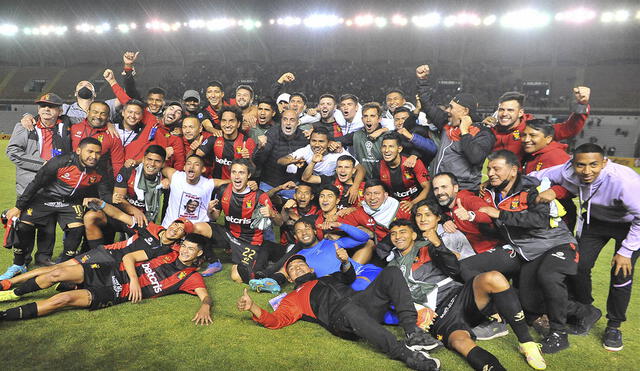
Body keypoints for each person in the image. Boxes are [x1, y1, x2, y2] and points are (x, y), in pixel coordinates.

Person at [237, 251, 442, 371]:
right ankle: (405, 354)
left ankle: (412, 333)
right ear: (289, 278)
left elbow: (348, 277)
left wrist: (345, 262)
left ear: (311, 270)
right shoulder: (293, 297)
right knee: (349, 309)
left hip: (362, 303)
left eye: (301, 264)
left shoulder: (327, 277)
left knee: (392, 272)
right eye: (292, 268)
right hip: (341, 319)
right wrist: (253, 307)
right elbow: (276, 320)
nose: (298, 268)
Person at [386, 220, 547, 371]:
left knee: (494, 278)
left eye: (402, 232)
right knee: (460, 343)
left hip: (459, 295)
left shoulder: (427, 247)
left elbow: (454, 267)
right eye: (393, 233)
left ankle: (527, 343)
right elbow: (396, 297)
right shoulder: (391, 267)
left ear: (413, 235)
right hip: (439, 315)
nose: (398, 236)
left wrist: (437, 244)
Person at [480, 150, 595, 353]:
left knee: (548, 276)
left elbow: (538, 220)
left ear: (513, 170)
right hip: (532, 251)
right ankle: (584, 311)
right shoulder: (492, 190)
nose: (491, 173)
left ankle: (559, 334)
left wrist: (500, 214)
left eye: (496, 168)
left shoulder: (532, 187)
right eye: (489, 169)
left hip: (557, 243)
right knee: (529, 301)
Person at [529, 143, 640, 351]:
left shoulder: (625, 182)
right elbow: (538, 175)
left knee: (621, 273)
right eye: (581, 165)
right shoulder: (567, 171)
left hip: (629, 225)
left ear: (604, 163)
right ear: (573, 163)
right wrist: (549, 190)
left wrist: (626, 251)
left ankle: (614, 326)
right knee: (577, 267)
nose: (587, 171)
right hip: (595, 222)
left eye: (594, 165)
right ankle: (586, 311)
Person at [0, 233, 213, 326]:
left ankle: (4, 316)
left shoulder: (191, 277)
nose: (184, 251)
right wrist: (135, 280)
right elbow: (129, 257)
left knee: (62, 300)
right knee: (56, 273)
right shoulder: (166, 253)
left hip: (116, 291)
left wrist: (205, 307)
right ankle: (11, 293)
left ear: (199, 254)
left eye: (191, 249)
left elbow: (205, 297)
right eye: (184, 246)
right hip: (110, 270)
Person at [1, 138, 110, 280]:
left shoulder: (100, 169)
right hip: (45, 199)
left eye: (97, 153)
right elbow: (36, 183)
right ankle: (19, 264)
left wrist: (103, 205)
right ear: (78, 151)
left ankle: (64, 265)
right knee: (23, 225)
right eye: (90, 151)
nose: (94, 156)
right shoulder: (61, 162)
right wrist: (18, 207)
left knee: (76, 229)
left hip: (71, 203)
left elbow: (104, 193)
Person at [6, 93, 71, 267]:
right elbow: (12, 152)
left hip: (54, 187)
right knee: (25, 225)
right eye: (43, 106)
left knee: (48, 226)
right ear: (38, 110)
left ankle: (43, 258)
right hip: (29, 186)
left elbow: (90, 116)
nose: (47, 109)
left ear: (60, 110)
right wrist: (45, 165)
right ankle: (21, 262)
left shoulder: (67, 126)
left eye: (51, 106)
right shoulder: (24, 127)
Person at [199, 159, 284, 283]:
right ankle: (213, 261)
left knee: (237, 277)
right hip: (228, 235)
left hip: (250, 241)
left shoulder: (259, 196)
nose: (237, 176)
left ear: (249, 175)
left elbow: (280, 222)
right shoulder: (223, 190)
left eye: (241, 173)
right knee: (197, 227)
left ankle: (266, 262)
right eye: (234, 172)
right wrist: (210, 211)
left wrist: (272, 214)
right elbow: (215, 218)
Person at [415, 64, 495, 191]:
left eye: (451, 107)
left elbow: (476, 158)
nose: (447, 110)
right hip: (438, 187)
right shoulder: (447, 123)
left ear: (465, 111)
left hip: (463, 191)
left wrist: (464, 131)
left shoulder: (483, 132)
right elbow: (428, 105)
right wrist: (423, 80)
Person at [83, 145, 167, 248]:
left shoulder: (165, 178)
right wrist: (135, 211)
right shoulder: (129, 170)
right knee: (91, 217)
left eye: (157, 161)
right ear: (143, 159)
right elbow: (118, 199)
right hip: (120, 215)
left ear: (163, 164)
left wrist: (169, 180)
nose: (152, 164)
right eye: (149, 159)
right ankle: (96, 254)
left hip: (143, 221)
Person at [491, 89, 590, 161]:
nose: (504, 114)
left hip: (526, 184)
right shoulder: (490, 130)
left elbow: (568, 129)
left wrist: (581, 105)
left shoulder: (533, 128)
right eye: (501, 109)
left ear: (520, 112)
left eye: (510, 110)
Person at [252, 109, 308, 200]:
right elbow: (257, 161)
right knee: (261, 209)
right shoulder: (272, 133)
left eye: (292, 120)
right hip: (269, 184)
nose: (288, 123)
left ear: (298, 123)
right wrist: (260, 148)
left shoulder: (304, 137)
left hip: (293, 186)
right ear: (281, 121)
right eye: (285, 119)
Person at [161, 154, 228, 227]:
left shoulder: (208, 184)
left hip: (196, 231)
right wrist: (165, 178)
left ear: (203, 169)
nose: (191, 166)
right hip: (170, 227)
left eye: (196, 165)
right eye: (188, 163)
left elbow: (231, 182)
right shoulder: (175, 176)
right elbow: (162, 168)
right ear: (184, 167)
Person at [374, 132, 431, 212]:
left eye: (391, 146)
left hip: (418, 203)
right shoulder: (378, 166)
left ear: (399, 149)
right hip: (395, 206)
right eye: (384, 146)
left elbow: (427, 187)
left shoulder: (413, 162)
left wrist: (412, 203)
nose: (386, 150)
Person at [196, 105, 256, 180]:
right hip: (216, 184)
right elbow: (196, 156)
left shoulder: (247, 142)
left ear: (238, 124)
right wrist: (194, 148)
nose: (227, 125)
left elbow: (253, 171)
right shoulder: (214, 138)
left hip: (236, 186)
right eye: (224, 121)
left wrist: (248, 159)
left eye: (231, 121)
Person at [70, 100, 125, 178]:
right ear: (88, 111)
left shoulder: (113, 135)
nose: (98, 116)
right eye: (95, 112)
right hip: (71, 176)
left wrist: (119, 185)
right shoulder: (74, 127)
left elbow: (118, 164)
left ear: (108, 116)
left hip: (97, 180)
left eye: (103, 114)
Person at [333, 102, 388, 179]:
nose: (368, 119)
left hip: (385, 181)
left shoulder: (388, 135)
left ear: (379, 119)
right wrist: (332, 143)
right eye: (365, 116)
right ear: (362, 119)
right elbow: (336, 140)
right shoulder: (356, 135)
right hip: (362, 181)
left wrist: (412, 155)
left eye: (372, 116)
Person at [279, 126, 356, 178]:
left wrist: (355, 187)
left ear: (329, 142)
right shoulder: (307, 150)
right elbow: (280, 161)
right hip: (316, 183)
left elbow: (360, 169)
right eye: (314, 141)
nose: (316, 145)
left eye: (321, 141)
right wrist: (292, 161)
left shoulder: (338, 151)